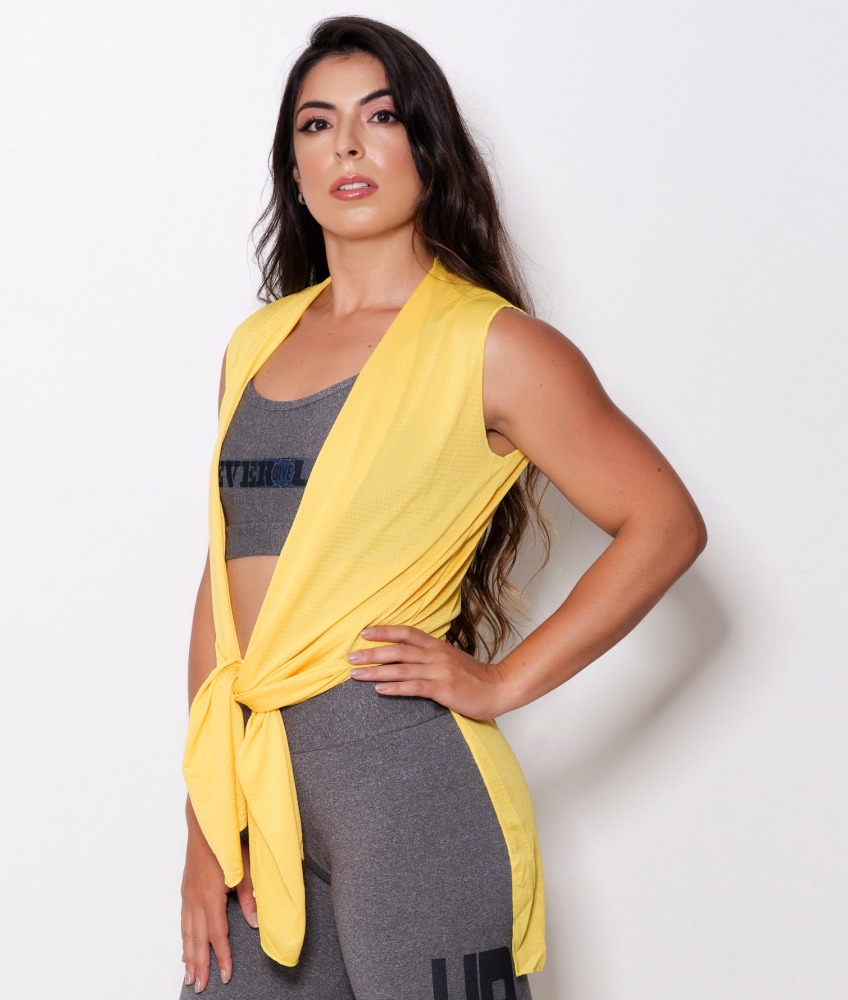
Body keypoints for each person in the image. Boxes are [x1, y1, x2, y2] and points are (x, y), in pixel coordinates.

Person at [179, 15, 706, 1000]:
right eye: (316, 124)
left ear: (427, 145)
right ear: (292, 164)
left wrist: (502, 681)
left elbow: (665, 525)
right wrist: (204, 827)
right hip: (259, 792)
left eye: (379, 117)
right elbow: (223, 576)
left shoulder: (495, 347)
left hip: (409, 791)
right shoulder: (254, 346)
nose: (346, 145)